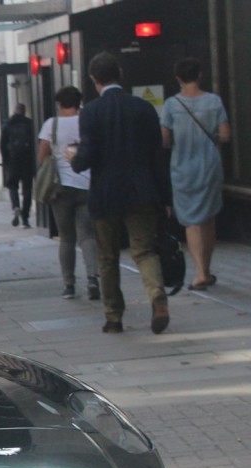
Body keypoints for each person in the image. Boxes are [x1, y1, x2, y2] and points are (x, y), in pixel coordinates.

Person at [70, 52, 171, 335]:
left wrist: (73, 158)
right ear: (121, 74)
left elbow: (86, 158)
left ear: (93, 79)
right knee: (144, 250)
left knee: (107, 257)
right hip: (142, 191)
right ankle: (157, 295)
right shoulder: (144, 108)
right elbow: (157, 157)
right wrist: (165, 198)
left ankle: (113, 317)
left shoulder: (90, 111)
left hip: (105, 195)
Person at [160, 57, 230, 292]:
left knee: (191, 221)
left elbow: (165, 139)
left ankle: (199, 273)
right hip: (210, 165)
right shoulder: (214, 101)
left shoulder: (171, 105)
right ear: (199, 75)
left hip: (182, 168)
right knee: (208, 218)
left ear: (178, 78)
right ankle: (207, 270)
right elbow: (225, 135)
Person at [38, 87, 99, 300]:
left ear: (59, 103)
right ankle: (93, 277)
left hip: (60, 187)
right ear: (79, 102)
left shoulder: (51, 124)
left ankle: (69, 284)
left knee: (66, 238)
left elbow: (43, 153)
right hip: (87, 183)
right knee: (87, 235)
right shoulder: (87, 121)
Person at [1, 103, 36, 227]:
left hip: (12, 160)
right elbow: (34, 143)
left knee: (13, 186)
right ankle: (25, 217)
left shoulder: (8, 124)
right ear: (24, 111)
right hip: (27, 160)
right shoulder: (30, 124)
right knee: (27, 188)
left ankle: (15, 206)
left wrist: (6, 160)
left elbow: (2, 144)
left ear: (14, 111)